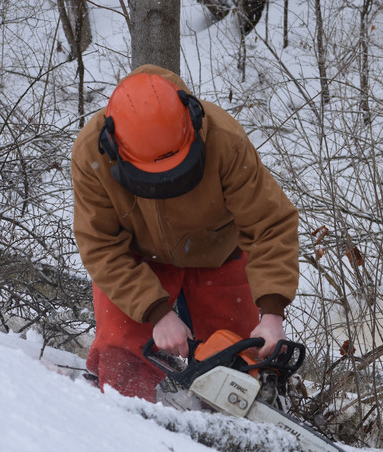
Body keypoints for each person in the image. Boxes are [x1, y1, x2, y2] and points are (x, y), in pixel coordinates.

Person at [71, 64, 299, 402]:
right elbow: (100, 245)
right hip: (139, 257)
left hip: (218, 252)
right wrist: (156, 311)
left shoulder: (224, 141)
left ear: (191, 122)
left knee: (240, 365)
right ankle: (132, 432)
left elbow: (270, 223)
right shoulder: (92, 154)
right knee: (122, 356)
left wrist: (272, 312)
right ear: (114, 145)